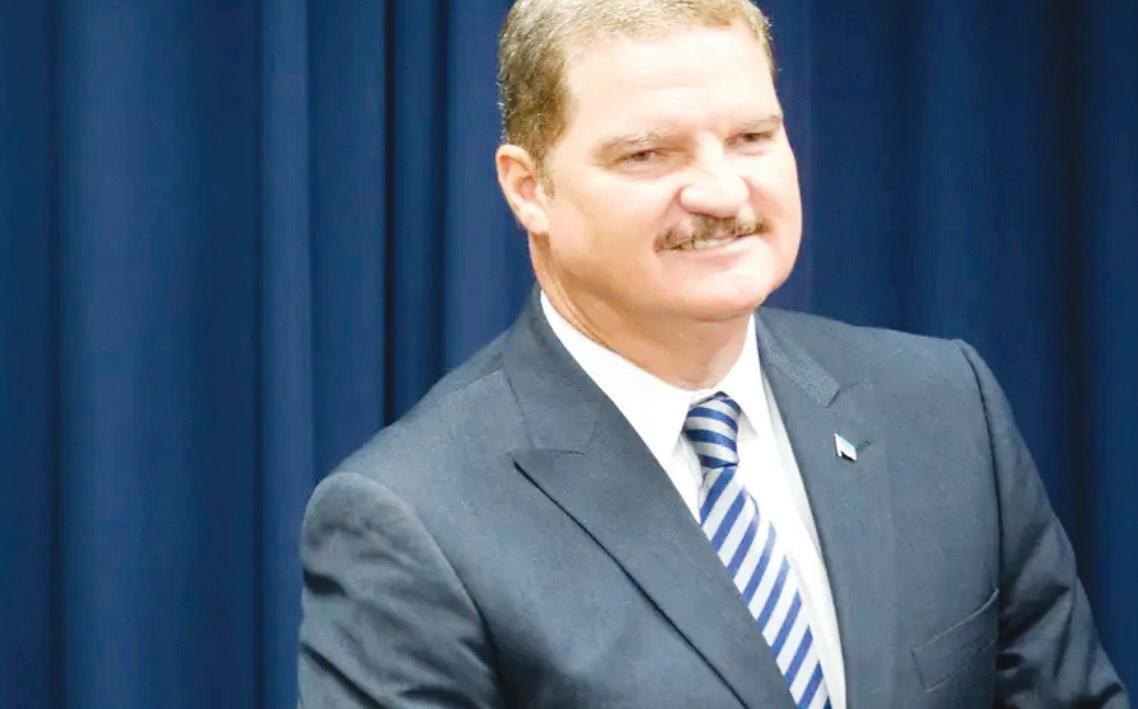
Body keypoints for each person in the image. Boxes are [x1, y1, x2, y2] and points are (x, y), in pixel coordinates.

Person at [297, 0, 1128, 706]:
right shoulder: (410, 522)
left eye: (752, 136)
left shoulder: (946, 408)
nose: (723, 192)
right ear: (529, 188)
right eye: (648, 154)